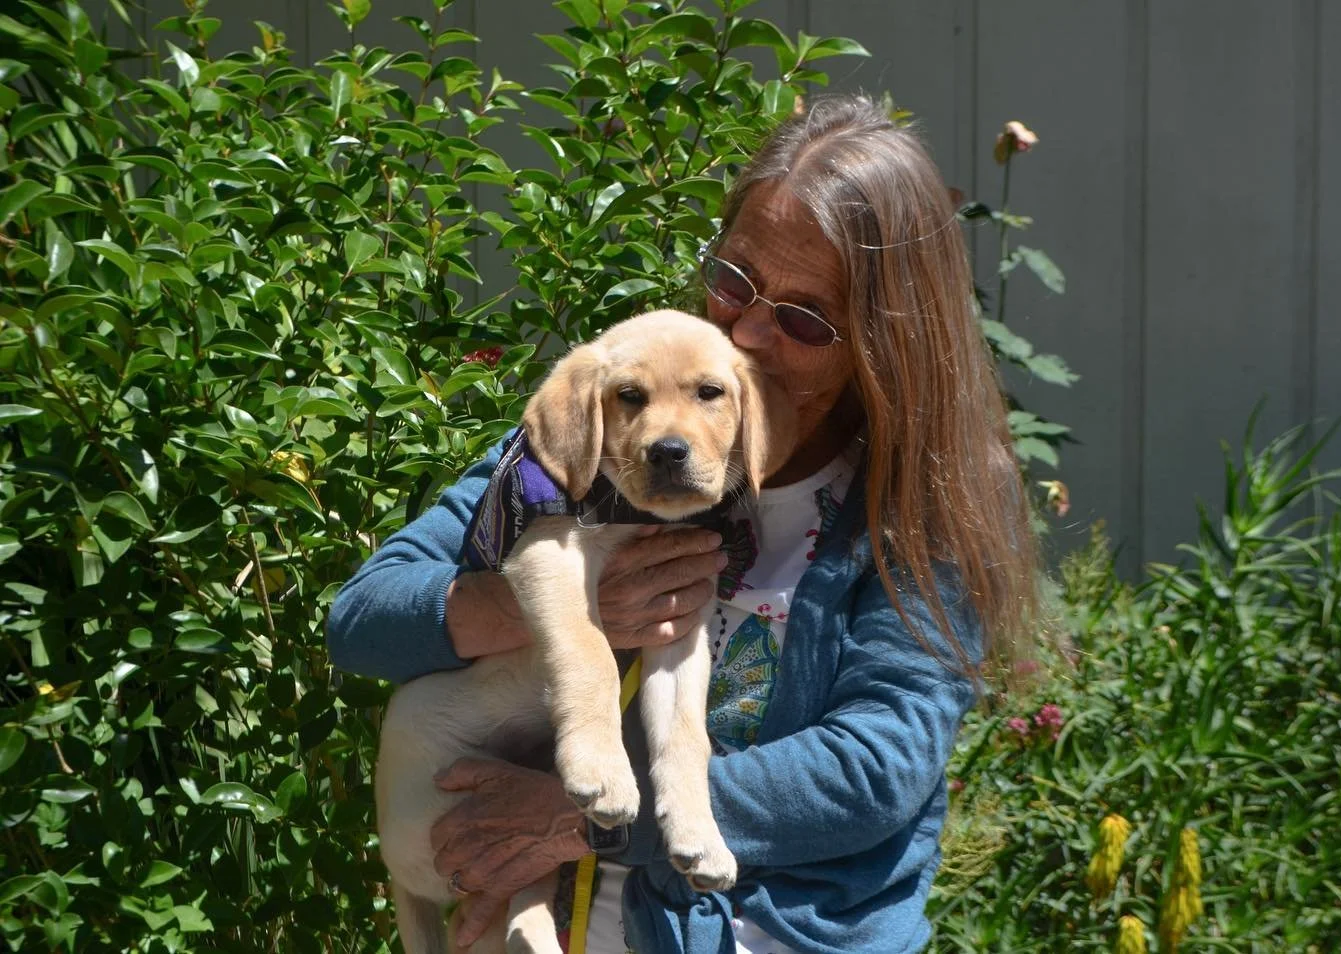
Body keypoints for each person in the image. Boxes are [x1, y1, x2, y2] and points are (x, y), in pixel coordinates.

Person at [327, 94, 1041, 954]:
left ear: (880, 338)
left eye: (806, 317)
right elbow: (362, 620)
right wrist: (559, 606)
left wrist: (585, 820)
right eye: (733, 280)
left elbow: (875, 768)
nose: (744, 328)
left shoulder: (920, 492)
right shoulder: (609, 428)